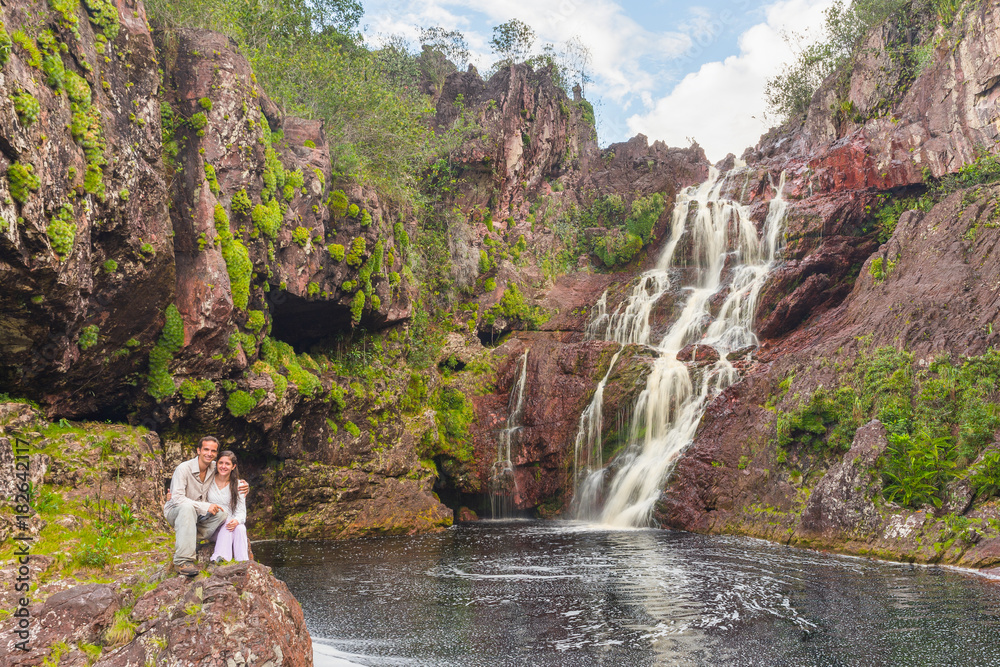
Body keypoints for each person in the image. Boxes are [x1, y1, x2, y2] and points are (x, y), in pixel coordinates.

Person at [163, 436, 248, 576]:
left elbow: (228, 471)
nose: (209, 453)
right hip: (177, 511)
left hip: (199, 516)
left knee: (222, 515)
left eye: (213, 451)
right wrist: (204, 507)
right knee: (187, 508)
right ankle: (182, 562)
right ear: (198, 450)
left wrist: (245, 487)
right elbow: (177, 499)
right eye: (206, 449)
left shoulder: (214, 467)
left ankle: (192, 541)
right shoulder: (183, 469)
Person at [208, 450, 249, 563]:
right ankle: (220, 558)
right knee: (227, 522)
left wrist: (236, 521)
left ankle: (243, 562)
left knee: (240, 527)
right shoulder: (208, 480)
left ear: (233, 466)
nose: (223, 466)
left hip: (230, 527)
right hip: (211, 526)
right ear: (216, 464)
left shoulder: (239, 485)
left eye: (227, 464)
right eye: (221, 463)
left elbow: (241, 512)